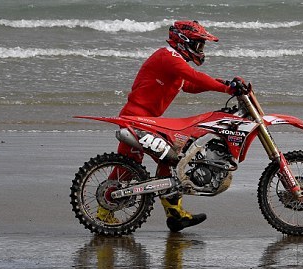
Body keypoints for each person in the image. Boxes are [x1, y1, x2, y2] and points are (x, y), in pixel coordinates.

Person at [98, 20, 245, 232]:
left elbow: (190, 85)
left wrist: (222, 82)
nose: (200, 50)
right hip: (136, 118)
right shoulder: (168, 56)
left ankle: (176, 216)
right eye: (199, 44)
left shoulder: (174, 61)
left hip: (150, 120)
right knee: (127, 166)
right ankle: (104, 213)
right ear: (184, 41)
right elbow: (194, 77)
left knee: (171, 159)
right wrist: (226, 88)